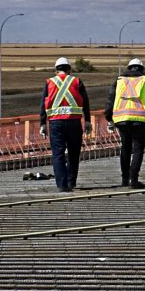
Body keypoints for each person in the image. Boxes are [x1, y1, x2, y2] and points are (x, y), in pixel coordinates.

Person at [104, 58, 145, 188]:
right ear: (141, 69)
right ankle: (134, 180)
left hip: (122, 120)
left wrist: (109, 118)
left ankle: (125, 179)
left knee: (125, 148)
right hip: (140, 121)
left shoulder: (118, 81)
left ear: (129, 68)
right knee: (138, 149)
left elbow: (110, 100)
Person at [40, 57, 91, 192]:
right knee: (74, 153)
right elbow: (85, 102)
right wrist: (87, 121)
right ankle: (71, 181)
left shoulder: (49, 82)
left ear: (56, 70)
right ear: (69, 69)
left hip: (55, 123)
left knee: (58, 154)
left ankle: (62, 185)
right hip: (74, 122)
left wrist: (42, 124)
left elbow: (43, 104)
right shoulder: (76, 81)